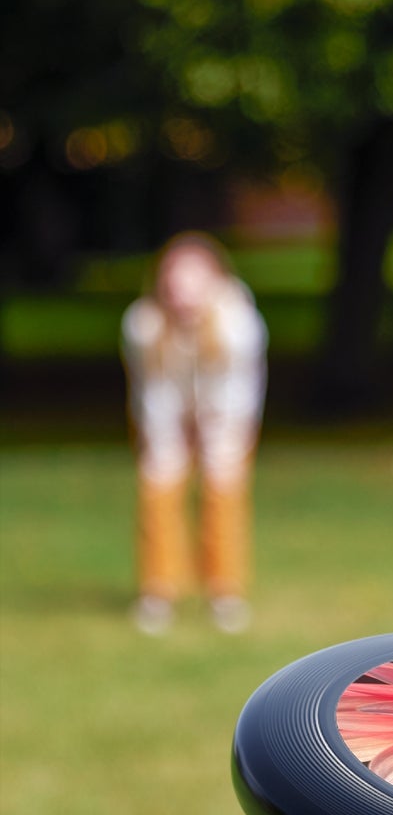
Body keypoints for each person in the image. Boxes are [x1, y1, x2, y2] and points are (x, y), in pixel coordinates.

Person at [121, 232, 268, 635]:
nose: (182, 292)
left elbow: (239, 391)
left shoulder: (239, 324)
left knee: (223, 492)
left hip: (226, 416)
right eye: (174, 281)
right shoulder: (143, 324)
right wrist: (168, 439)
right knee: (158, 487)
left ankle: (225, 593)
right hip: (165, 415)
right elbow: (152, 391)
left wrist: (214, 434)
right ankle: (158, 591)